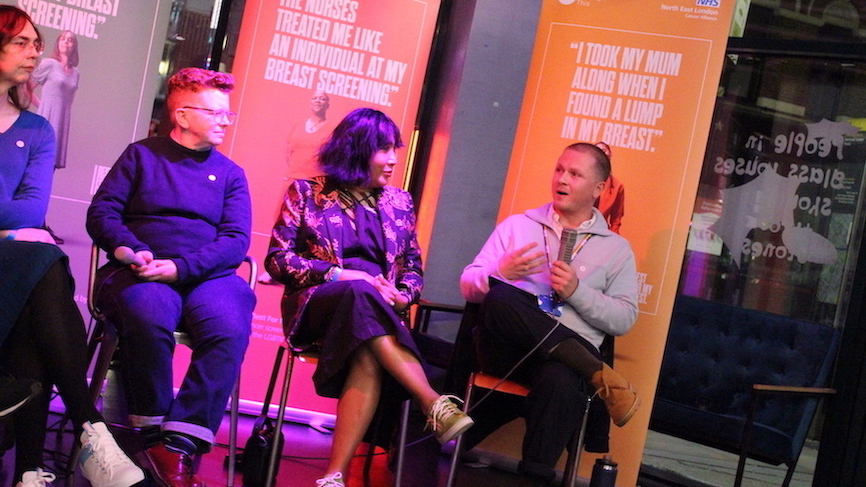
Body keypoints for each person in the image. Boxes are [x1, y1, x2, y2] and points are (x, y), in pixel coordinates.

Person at [265, 108, 474, 487]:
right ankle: (431, 400)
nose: (394, 159)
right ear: (355, 150)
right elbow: (278, 260)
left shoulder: (399, 202)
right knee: (360, 290)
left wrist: (400, 296)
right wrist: (341, 274)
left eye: (396, 148)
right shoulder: (306, 193)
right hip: (319, 310)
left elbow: (412, 267)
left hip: (375, 319)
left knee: (368, 350)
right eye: (384, 149)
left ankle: (332, 477)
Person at [86, 67, 255, 487]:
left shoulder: (231, 174)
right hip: (139, 268)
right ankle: (151, 432)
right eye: (216, 113)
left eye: (227, 115)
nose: (224, 121)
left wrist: (182, 268)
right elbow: (102, 213)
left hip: (206, 274)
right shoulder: (141, 156)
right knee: (150, 309)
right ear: (181, 115)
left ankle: (177, 444)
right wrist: (128, 249)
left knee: (230, 323)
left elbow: (235, 241)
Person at [0, 6, 144, 487]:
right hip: (15, 256)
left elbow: (28, 211)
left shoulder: (37, 129)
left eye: (37, 43)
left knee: (39, 269)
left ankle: (40, 463)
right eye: (22, 42)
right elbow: (16, 213)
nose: (34, 52)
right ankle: (78, 438)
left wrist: (11, 229)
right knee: (42, 264)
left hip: (11, 259)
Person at [460, 142, 639, 483]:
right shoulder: (517, 225)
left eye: (575, 173)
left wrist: (577, 292)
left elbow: (624, 318)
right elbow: (468, 286)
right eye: (559, 169)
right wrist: (499, 273)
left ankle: (533, 479)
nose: (562, 178)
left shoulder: (616, 249)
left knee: (561, 383)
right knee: (500, 298)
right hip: (506, 352)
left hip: (560, 365)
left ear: (599, 189)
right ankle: (600, 374)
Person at [31, 30, 79, 170]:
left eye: (70, 40)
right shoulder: (49, 64)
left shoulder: (76, 73)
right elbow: (27, 89)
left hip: (62, 122)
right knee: (37, 161)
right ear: (58, 43)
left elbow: (70, 100)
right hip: (46, 118)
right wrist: (43, 106)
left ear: (74, 46)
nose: (66, 42)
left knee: (51, 165)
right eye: (63, 39)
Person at [593, 141, 625, 234]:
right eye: (597, 151)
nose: (601, 154)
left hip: (600, 232)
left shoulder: (617, 186)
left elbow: (616, 218)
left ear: (610, 154)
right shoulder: (582, 179)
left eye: (603, 150)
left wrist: (613, 237)